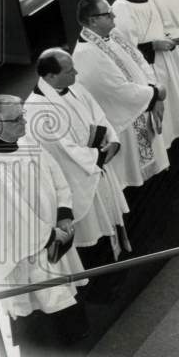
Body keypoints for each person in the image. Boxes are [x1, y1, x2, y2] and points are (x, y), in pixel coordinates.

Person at [0, 95, 89, 357]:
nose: (24, 122)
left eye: (23, 114)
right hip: (26, 248)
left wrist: (64, 214)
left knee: (61, 296)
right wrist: (49, 235)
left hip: (53, 235)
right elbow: (11, 215)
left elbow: (56, 177)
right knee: (38, 304)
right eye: (17, 119)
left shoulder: (28, 142)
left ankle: (72, 345)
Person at [24, 49, 131, 300]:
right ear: (50, 76)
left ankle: (120, 271)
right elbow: (63, 152)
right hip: (78, 179)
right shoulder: (37, 110)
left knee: (110, 222)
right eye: (70, 70)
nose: (76, 73)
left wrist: (112, 141)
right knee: (93, 234)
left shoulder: (75, 87)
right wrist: (100, 156)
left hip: (97, 166)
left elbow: (99, 115)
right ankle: (103, 290)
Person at [71, 0, 170, 189]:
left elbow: (140, 60)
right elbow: (118, 92)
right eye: (108, 14)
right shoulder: (86, 54)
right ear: (93, 21)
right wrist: (156, 93)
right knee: (137, 180)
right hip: (127, 122)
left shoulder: (112, 34)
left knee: (155, 169)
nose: (114, 16)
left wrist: (155, 93)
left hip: (144, 104)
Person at [111, 0, 179, 150]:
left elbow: (155, 27)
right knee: (161, 124)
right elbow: (124, 52)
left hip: (164, 62)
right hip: (148, 70)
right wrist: (154, 45)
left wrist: (167, 38)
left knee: (174, 112)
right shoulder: (121, 9)